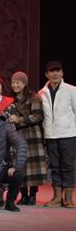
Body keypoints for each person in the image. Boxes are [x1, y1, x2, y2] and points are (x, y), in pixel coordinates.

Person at [37, 60, 76, 207]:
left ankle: (68, 198)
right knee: (54, 166)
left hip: (68, 134)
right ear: (46, 74)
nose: (55, 73)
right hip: (50, 134)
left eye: (57, 70)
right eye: (51, 71)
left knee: (68, 166)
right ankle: (57, 197)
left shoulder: (71, 90)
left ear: (62, 73)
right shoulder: (42, 93)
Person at [8, 71, 47, 205]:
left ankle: (33, 194)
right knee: (20, 163)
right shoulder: (11, 99)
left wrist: (19, 119)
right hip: (18, 134)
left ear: (24, 84)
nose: (15, 85)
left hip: (32, 134)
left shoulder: (33, 97)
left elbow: (37, 116)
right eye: (13, 82)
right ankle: (24, 194)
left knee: (33, 164)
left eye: (18, 82)